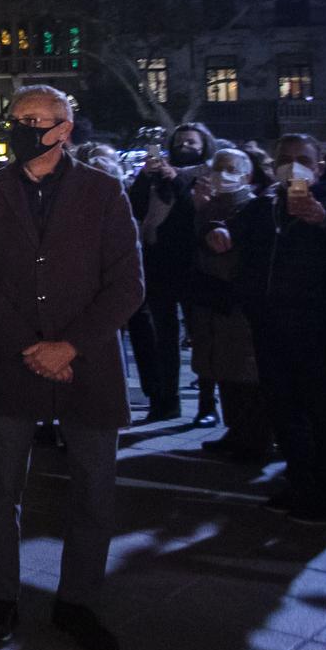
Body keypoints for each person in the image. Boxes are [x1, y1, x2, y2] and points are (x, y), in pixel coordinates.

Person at [0, 85, 143, 650]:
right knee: (1, 489)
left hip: (87, 365)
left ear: (64, 128)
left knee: (93, 490)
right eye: (16, 118)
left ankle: (78, 601)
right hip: (14, 363)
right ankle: (2, 596)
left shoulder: (103, 192)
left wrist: (69, 347)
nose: (21, 128)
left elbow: (127, 285)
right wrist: (31, 347)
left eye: (33, 120)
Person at [211, 133, 326, 525]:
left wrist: (324, 219)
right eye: (286, 158)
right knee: (285, 412)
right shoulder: (266, 204)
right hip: (271, 325)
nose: (294, 165)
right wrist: (218, 232)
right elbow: (231, 225)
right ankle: (300, 483)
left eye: (303, 158)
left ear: (319, 166)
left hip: (322, 328)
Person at [127, 123, 216, 426]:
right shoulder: (158, 177)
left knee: (201, 337)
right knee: (162, 339)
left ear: (204, 145)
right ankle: (165, 400)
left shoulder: (208, 175)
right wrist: (144, 177)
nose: (185, 147)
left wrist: (177, 181)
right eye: (179, 142)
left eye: (191, 142)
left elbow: (199, 213)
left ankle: (207, 405)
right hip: (160, 265)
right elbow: (136, 206)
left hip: (195, 265)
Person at [189, 150, 271, 462]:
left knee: (245, 373)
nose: (223, 174)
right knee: (224, 369)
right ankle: (236, 431)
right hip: (212, 301)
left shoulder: (250, 206)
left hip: (235, 302)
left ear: (247, 175)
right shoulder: (211, 206)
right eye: (218, 167)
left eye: (231, 168)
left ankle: (255, 437)